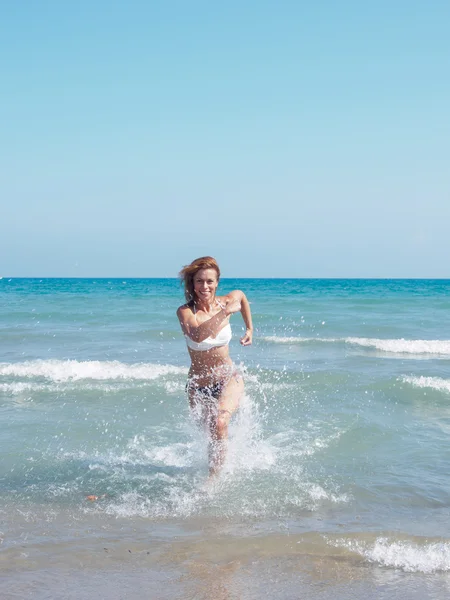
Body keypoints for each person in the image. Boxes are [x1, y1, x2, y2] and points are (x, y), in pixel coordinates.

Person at [177, 256, 253, 477]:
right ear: (192, 284)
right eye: (199, 281)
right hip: (198, 385)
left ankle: (213, 481)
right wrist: (225, 313)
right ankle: (218, 468)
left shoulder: (226, 300)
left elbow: (241, 296)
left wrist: (250, 329)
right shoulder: (185, 312)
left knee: (219, 423)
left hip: (228, 376)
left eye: (210, 281)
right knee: (210, 435)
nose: (205, 286)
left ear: (217, 282)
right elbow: (198, 335)